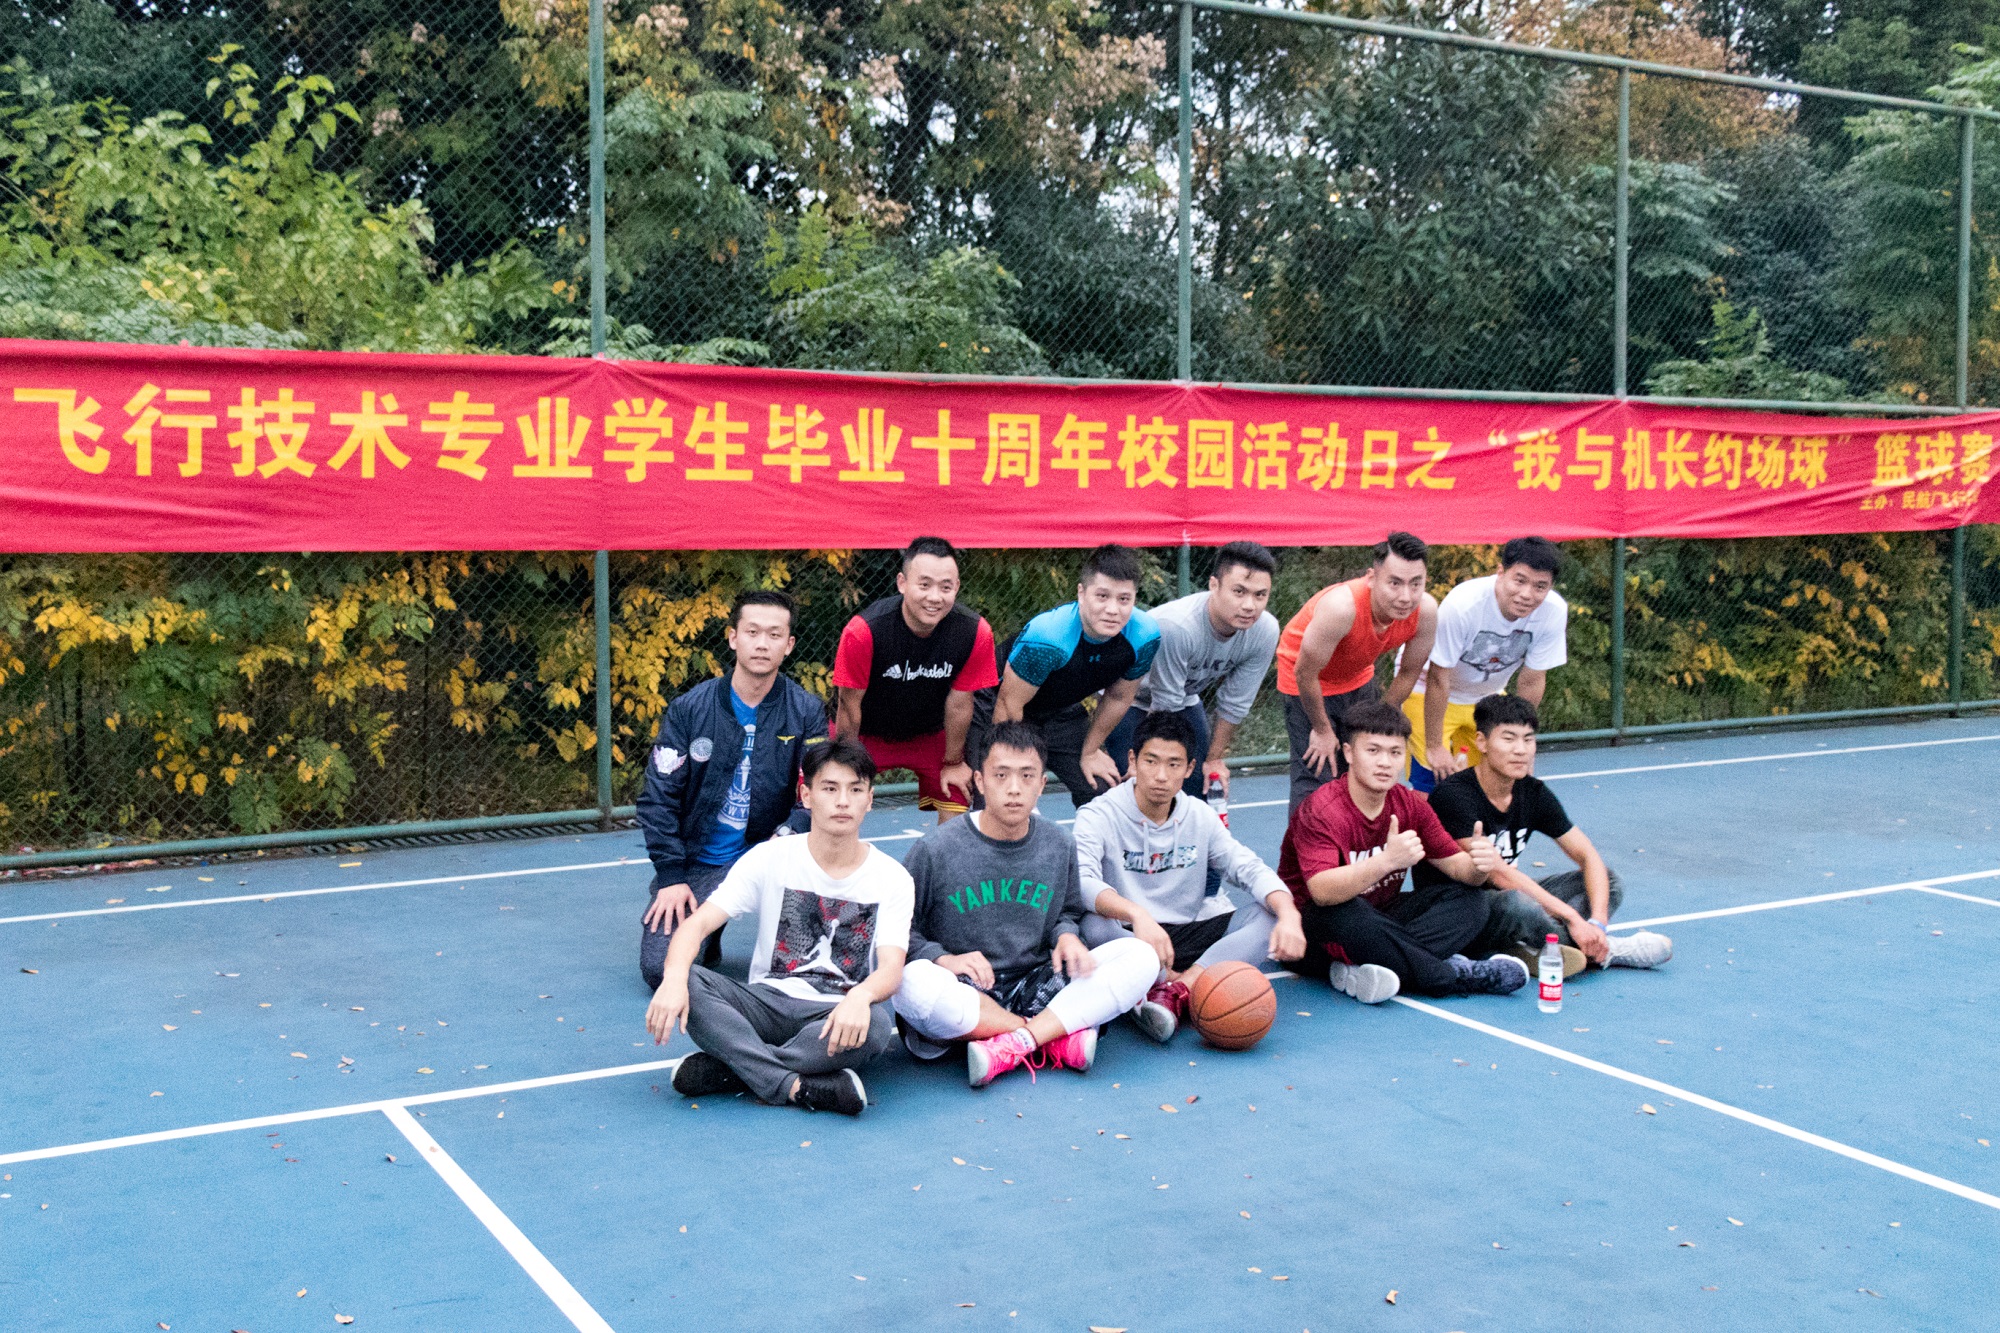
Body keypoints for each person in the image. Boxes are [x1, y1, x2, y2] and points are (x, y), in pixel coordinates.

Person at [645, 738, 912, 1116]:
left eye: (855, 790)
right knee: (685, 977)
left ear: (869, 800)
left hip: (833, 1014)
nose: (843, 801)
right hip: (764, 1005)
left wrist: (861, 996)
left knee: (875, 1026)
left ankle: (734, 1069)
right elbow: (698, 924)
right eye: (830, 788)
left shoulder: (893, 877)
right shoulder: (770, 858)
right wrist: (673, 979)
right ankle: (796, 1086)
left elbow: (891, 969)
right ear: (806, 795)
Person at [892, 722, 1161, 1086]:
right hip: (965, 988)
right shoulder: (935, 850)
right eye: (1001, 775)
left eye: (1026, 776)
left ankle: (1015, 1042)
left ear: (1042, 784)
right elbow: (897, 930)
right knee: (910, 982)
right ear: (980, 781)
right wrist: (943, 959)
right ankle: (1048, 1036)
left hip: (1036, 985)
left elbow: (1067, 912)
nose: (1014, 788)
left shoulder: (1059, 844)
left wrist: (1067, 936)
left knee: (1140, 956)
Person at [637, 589, 828, 990]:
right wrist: (671, 877)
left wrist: (786, 837)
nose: (762, 644)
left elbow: (818, 792)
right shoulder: (690, 709)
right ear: (733, 637)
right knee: (661, 970)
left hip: (775, 856)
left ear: (789, 645)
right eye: (752, 632)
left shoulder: (806, 710)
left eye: (774, 635)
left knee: (811, 972)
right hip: (704, 862)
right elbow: (658, 798)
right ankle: (709, 925)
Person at [1075, 711, 1308, 1040]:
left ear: (1189, 769)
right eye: (1151, 761)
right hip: (1129, 936)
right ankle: (1158, 983)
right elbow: (1082, 882)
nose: (1161, 776)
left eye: (1173, 764)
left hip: (1184, 935)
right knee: (1093, 926)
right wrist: (1137, 915)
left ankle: (1178, 988)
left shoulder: (1199, 815)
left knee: (1268, 916)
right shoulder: (1099, 814)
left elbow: (1247, 867)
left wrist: (1289, 914)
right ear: (1132, 761)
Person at [1275, 699, 1526, 1003]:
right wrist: (1386, 861)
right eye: (1373, 751)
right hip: (1314, 928)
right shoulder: (1322, 809)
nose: (1385, 762)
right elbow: (1322, 892)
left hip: (1381, 919)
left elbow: (1458, 867)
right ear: (1349, 753)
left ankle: (1372, 966)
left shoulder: (1409, 805)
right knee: (1348, 913)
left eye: (1395, 753)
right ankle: (1450, 974)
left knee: (1471, 900)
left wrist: (1479, 866)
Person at [1419, 694, 1673, 973]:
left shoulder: (1532, 792)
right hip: (1460, 911)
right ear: (1482, 742)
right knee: (1518, 904)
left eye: (1528, 739)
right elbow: (1498, 874)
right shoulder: (1454, 796)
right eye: (1509, 739)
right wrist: (1572, 918)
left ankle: (1546, 945)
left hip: (1509, 899)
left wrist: (1597, 922)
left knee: (1609, 880)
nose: (1520, 750)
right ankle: (1605, 950)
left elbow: (1586, 854)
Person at [974, 544, 1160, 808]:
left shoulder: (1144, 636)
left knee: (1101, 789)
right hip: (995, 706)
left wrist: (1090, 751)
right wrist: (1018, 772)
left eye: (1124, 599)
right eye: (1102, 596)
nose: (1113, 609)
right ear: (1081, 593)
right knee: (996, 798)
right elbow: (1008, 704)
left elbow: (1119, 697)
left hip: (1058, 712)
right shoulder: (1049, 637)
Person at [831, 536, 1000, 822]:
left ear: (957, 587)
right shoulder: (863, 631)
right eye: (924, 585)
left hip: (931, 735)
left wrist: (953, 762)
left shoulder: (975, 632)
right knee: (834, 797)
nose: (934, 597)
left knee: (959, 795)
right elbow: (848, 706)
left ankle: (945, 853)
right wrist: (845, 762)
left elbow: (960, 704)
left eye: (945, 587)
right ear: (902, 583)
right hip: (865, 733)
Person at [1105, 540, 1280, 802]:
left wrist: (1213, 759)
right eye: (1239, 592)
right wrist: (1150, 760)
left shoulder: (1265, 631)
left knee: (1199, 786)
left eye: (1260, 595)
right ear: (1214, 585)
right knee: (1142, 788)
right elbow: (1165, 706)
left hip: (1182, 699)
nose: (1249, 605)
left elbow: (1235, 703)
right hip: (1126, 698)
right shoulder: (1177, 626)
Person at [1275, 532, 1438, 812]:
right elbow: (1305, 673)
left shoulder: (1426, 611)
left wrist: (1383, 718)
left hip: (1358, 677)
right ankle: (1309, 839)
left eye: (1415, 584)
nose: (1406, 597)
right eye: (1395, 583)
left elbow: (1409, 672)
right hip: (1307, 680)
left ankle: (1362, 838)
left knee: (1367, 766)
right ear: (1372, 578)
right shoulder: (1341, 608)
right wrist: (1322, 729)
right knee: (1320, 774)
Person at [1405, 535, 1568, 792]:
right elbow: (1438, 676)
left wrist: (1522, 742)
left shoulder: (1553, 611)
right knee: (1433, 782)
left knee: (1497, 779)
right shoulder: (1463, 605)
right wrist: (1434, 746)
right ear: (1501, 572)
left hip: (1487, 696)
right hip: (1427, 690)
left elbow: (1532, 679)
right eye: (1519, 580)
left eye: (1540, 586)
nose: (1527, 594)